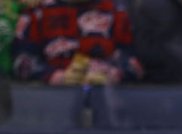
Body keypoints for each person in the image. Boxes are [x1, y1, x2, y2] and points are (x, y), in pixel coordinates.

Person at [11, 0, 144, 85]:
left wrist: (113, 74)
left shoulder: (117, 11)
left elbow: (134, 63)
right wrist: (58, 77)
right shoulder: (36, 11)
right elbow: (21, 62)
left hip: (109, 103)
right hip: (52, 103)